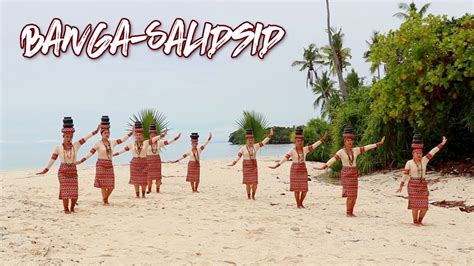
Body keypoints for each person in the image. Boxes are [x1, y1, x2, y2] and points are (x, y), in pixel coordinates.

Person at [316, 125, 385, 216]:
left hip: (353, 173)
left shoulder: (355, 150)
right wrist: (325, 165)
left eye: (351, 140)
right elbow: (333, 159)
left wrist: (377, 144)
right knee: (350, 195)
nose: (349, 142)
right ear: (344, 141)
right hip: (346, 174)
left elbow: (366, 147)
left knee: (354, 195)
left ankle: (351, 212)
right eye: (347, 140)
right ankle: (348, 212)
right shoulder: (341, 152)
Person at [37, 117, 100, 213]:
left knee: (74, 194)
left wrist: (95, 131)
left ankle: (72, 208)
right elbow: (53, 159)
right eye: (67, 137)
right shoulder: (58, 148)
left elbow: (86, 138)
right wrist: (46, 170)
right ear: (63, 136)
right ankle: (66, 209)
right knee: (65, 191)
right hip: (63, 171)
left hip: (73, 171)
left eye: (71, 137)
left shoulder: (76, 145)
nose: (69, 139)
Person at [76, 115, 132, 205]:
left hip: (109, 165)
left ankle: (105, 198)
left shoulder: (112, 142)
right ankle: (105, 200)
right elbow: (90, 153)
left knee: (111, 186)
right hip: (101, 165)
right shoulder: (98, 143)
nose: (107, 134)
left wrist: (131, 133)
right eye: (105, 133)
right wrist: (81, 161)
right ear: (101, 134)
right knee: (103, 185)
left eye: (108, 133)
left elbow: (122, 140)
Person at [396, 134, 447, 225]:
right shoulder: (409, 163)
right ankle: (415, 221)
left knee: (424, 206)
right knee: (415, 206)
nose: (419, 155)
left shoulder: (424, 160)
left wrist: (442, 144)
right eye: (417, 153)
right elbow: (405, 174)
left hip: (422, 185)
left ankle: (420, 220)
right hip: (413, 185)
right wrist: (401, 185)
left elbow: (433, 152)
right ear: (413, 154)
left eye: (420, 153)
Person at [269, 128, 327, 208]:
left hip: (303, 170)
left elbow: (314, 146)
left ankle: (301, 203)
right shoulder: (292, 151)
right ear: (295, 142)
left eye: (301, 141)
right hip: (295, 170)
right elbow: (285, 158)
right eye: (298, 141)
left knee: (304, 190)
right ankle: (298, 204)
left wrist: (322, 139)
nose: (299, 142)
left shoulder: (305, 149)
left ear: (302, 142)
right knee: (297, 189)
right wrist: (277, 165)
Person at [229, 128, 273, 200]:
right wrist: (234, 162)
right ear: (246, 140)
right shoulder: (243, 148)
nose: (250, 141)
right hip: (246, 165)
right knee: (248, 183)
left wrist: (269, 136)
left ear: (253, 140)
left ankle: (253, 195)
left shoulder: (255, 146)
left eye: (251, 139)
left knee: (255, 183)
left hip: (253, 165)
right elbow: (239, 156)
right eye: (249, 139)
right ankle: (249, 196)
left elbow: (263, 142)